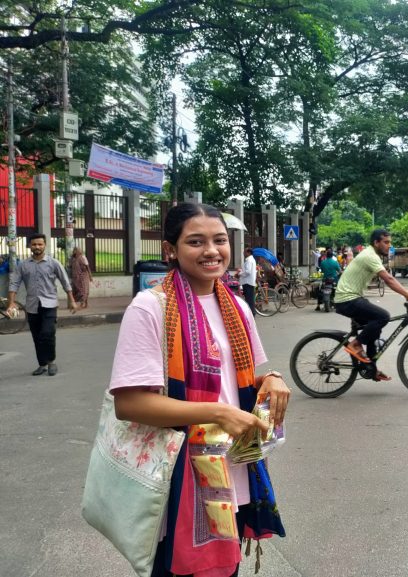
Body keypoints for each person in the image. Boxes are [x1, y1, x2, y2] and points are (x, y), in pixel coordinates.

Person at [109, 203, 289, 577]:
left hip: (231, 471)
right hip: (177, 476)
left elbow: (233, 383)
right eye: (196, 241)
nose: (211, 251)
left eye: (219, 240)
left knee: (226, 570)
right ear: (170, 249)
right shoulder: (150, 308)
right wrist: (215, 413)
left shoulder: (237, 306)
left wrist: (270, 378)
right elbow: (129, 403)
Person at [334, 229, 408, 381]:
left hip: (351, 298)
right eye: (386, 242)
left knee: (374, 331)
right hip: (347, 299)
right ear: (376, 243)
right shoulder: (370, 256)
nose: (389, 245)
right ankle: (355, 344)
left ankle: (371, 369)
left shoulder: (371, 254)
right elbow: (389, 279)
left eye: (390, 242)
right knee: (383, 316)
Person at [7, 233, 78, 376]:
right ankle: (42, 364)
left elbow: (65, 281)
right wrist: (11, 303)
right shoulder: (23, 265)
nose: (37, 247)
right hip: (32, 305)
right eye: (34, 244)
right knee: (37, 336)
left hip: (49, 304)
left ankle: (51, 362)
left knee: (47, 333)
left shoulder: (53, 263)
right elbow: (14, 283)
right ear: (30, 246)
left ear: (45, 245)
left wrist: (71, 299)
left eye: (40, 244)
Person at [238, 247, 257, 315]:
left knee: (249, 300)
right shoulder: (251, 260)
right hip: (249, 282)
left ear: (248, 253)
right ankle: (251, 314)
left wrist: (240, 273)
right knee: (249, 300)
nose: (243, 253)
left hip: (247, 282)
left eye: (245, 252)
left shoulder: (249, 260)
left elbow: (248, 271)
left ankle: (251, 314)